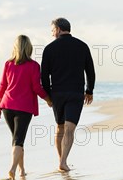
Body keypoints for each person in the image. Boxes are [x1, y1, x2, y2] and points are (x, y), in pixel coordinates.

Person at [41, 18, 96, 172]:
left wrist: (48, 96)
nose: (52, 34)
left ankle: (61, 161)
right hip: (75, 93)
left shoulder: (49, 49)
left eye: (52, 30)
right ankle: (63, 161)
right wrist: (89, 90)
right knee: (70, 129)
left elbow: (44, 76)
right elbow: (90, 71)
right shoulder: (82, 46)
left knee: (60, 128)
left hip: (57, 94)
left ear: (58, 29)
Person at [0, 35, 51, 180]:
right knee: (18, 140)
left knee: (17, 139)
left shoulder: (8, 64)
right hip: (24, 108)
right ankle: (13, 169)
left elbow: (3, 86)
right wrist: (48, 99)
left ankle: (21, 170)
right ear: (29, 48)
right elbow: (36, 87)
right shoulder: (33, 66)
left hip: (7, 106)